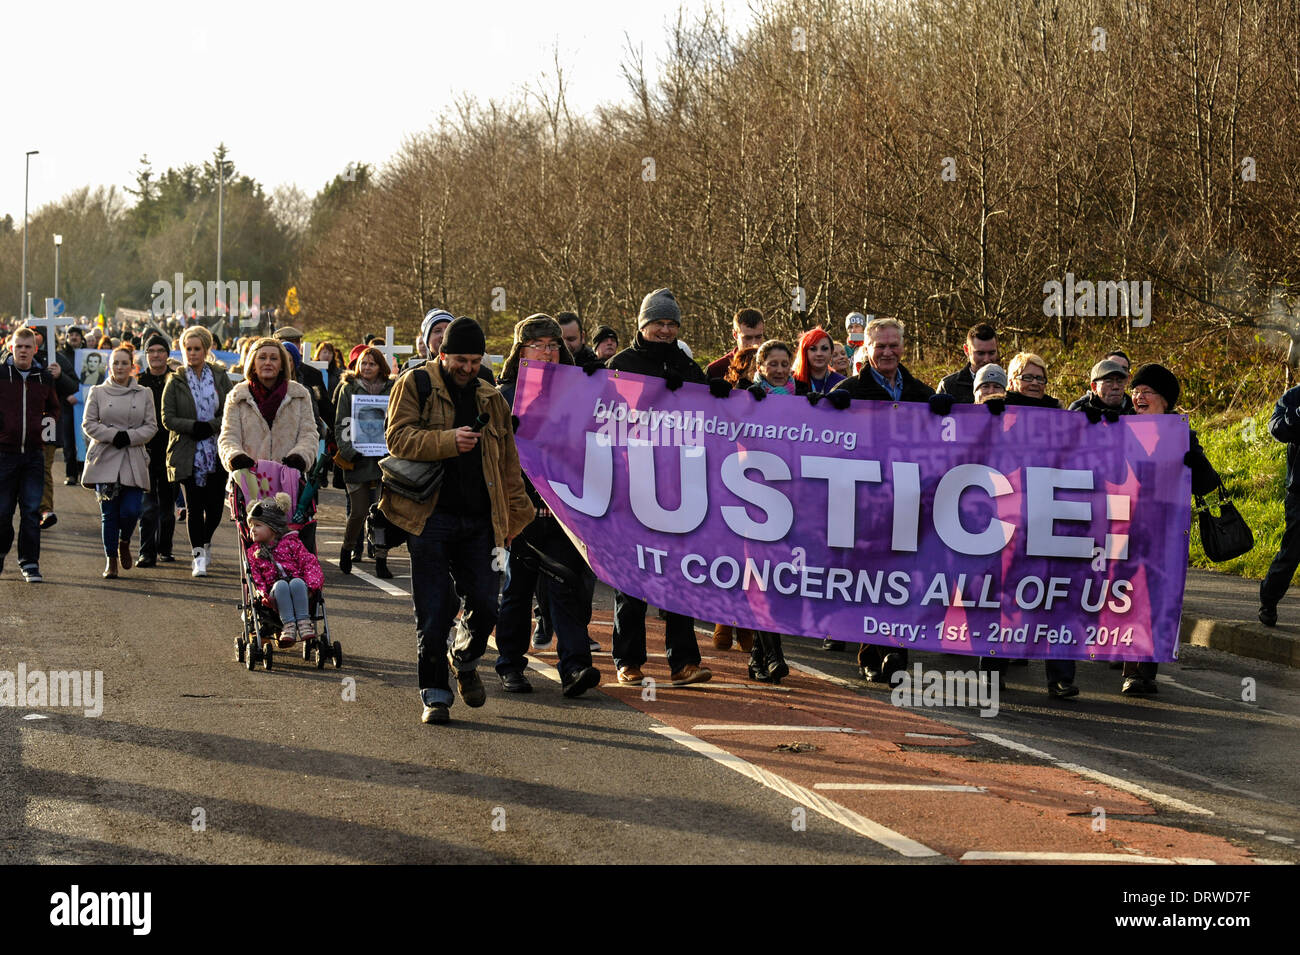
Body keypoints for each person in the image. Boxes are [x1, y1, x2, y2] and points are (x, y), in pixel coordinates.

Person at [379, 316, 534, 725]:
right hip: (428, 517)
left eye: (475, 360)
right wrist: (449, 441)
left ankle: (463, 658)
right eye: (460, 359)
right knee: (432, 613)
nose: (468, 367)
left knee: (486, 604)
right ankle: (435, 695)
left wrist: (515, 520)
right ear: (441, 353)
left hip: (481, 522)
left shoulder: (491, 398)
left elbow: (508, 466)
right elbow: (396, 438)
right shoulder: (415, 385)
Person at [606, 288, 713, 687]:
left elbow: (711, 415)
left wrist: (717, 394)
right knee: (631, 579)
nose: (666, 330)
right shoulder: (620, 365)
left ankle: (683, 662)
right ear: (642, 324)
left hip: (679, 487)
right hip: (631, 487)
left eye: (672, 324)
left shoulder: (686, 365)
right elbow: (600, 420)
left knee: (678, 577)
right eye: (659, 323)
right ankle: (628, 660)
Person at [494, 314, 602, 697]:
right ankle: (510, 664)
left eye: (554, 344)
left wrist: (602, 384)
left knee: (565, 587)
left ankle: (575, 667)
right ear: (521, 350)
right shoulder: (503, 395)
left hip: (564, 510)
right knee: (518, 590)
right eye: (538, 345)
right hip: (521, 511)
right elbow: (497, 458)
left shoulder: (578, 391)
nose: (548, 352)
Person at [832, 317, 935, 681]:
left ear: (903, 347)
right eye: (881, 346)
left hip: (909, 500)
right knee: (870, 579)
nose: (888, 352)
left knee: (903, 577)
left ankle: (896, 651)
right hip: (864, 502)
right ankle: (869, 651)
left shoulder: (922, 394)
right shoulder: (848, 392)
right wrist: (822, 406)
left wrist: (953, 410)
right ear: (866, 349)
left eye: (894, 345)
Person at [1128, 363, 1219, 693]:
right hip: (1122, 527)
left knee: (1153, 597)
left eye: (1147, 391)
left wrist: (1196, 462)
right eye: (1135, 390)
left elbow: (1208, 482)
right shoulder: (1116, 428)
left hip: (1163, 530)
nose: (1138, 396)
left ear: (1164, 400)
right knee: (1127, 595)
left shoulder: (1182, 434)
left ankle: (1140, 671)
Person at [163, 326, 235, 577]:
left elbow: (229, 408)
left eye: (196, 349)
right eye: (188, 349)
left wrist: (211, 426)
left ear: (205, 350)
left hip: (216, 449)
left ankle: (205, 541)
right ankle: (198, 556)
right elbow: (167, 418)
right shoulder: (175, 380)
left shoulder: (219, 375)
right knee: (194, 506)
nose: (192, 353)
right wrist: (194, 426)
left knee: (215, 508)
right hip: (187, 450)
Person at [81, 345, 158, 578]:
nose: (120, 367)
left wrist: (130, 437)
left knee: (132, 510)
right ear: (109, 366)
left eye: (124, 363)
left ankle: (125, 541)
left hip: (133, 457)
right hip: (105, 457)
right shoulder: (97, 392)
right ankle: (111, 560)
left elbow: (151, 426)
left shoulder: (144, 393)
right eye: (116, 363)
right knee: (109, 513)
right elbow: (89, 424)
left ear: (132, 366)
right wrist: (114, 436)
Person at [0, 327, 61, 583]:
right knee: (2, 512)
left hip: (34, 455)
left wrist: (43, 427)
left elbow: (54, 408)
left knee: (31, 511)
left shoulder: (43, 377)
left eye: (28, 347)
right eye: (19, 346)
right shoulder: (1, 374)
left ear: (35, 349)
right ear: (10, 347)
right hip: (4, 455)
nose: (23, 351)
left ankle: (29, 562)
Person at [219, 336, 319, 480]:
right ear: (253, 363)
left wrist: (299, 457)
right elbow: (228, 436)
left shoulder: (299, 395)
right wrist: (236, 457)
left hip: (288, 479)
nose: (267, 362)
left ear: (282, 365)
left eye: (273, 358)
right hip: (248, 480)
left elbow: (309, 434)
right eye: (262, 357)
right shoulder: (237, 396)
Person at [334, 345, 394, 577]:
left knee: (383, 513)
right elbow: (341, 423)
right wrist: (349, 451)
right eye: (364, 363)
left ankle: (381, 558)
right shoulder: (348, 388)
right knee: (358, 511)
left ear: (380, 367)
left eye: (372, 363)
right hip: (357, 460)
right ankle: (347, 548)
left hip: (383, 460)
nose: (367, 367)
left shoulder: (391, 388)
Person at [245, 492, 325, 647]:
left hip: (300, 590)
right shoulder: (254, 553)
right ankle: (288, 625)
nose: (252, 530)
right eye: (251, 526)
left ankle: (303, 622)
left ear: (273, 529)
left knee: (296, 582)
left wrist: (311, 585)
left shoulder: (292, 543)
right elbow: (255, 577)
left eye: (258, 525)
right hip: (274, 596)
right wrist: (262, 593)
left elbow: (309, 563)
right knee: (281, 585)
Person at [1261, 380, 1300, 630]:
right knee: (1292, 552)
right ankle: (1268, 600)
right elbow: (1277, 429)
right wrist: (1298, 414)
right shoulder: (1294, 397)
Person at [136, 334, 178, 566]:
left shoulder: (176, 380)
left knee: (167, 505)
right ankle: (146, 551)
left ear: (167, 354)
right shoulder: (139, 382)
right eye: (150, 351)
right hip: (145, 449)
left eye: (160, 350)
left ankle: (165, 547)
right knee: (148, 505)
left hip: (171, 449)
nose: (155, 355)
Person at [937, 323, 999, 404]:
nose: (986, 359)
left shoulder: (1009, 386)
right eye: (980, 353)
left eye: (991, 353)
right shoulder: (948, 386)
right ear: (966, 350)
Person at [59, 326, 87, 484]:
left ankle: (84, 471)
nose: (74, 337)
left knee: (85, 438)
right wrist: (68, 395)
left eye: (77, 335)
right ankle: (71, 473)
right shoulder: (61, 356)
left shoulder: (88, 355)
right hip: (67, 402)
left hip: (85, 402)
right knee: (69, 439)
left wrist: (80, 395)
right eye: (71, 335)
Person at [706, 307, 766, 379]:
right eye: (748, 338)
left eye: (758, 337)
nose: (754, 344)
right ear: (735, 335)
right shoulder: (716, 370)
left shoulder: (775, 366)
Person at [1069, 350, 1135, 412]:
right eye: (1109, 381)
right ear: (1094, 387)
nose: (1115, 386)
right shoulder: (1078, 412)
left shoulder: (1135, 408)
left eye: (1119, 381)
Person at [791, 326, 845, 394]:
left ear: (831, 352)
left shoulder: (842, 383)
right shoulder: (792, 382)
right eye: (813, 349)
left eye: (824, 349)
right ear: (805, 352)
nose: (819, 354)